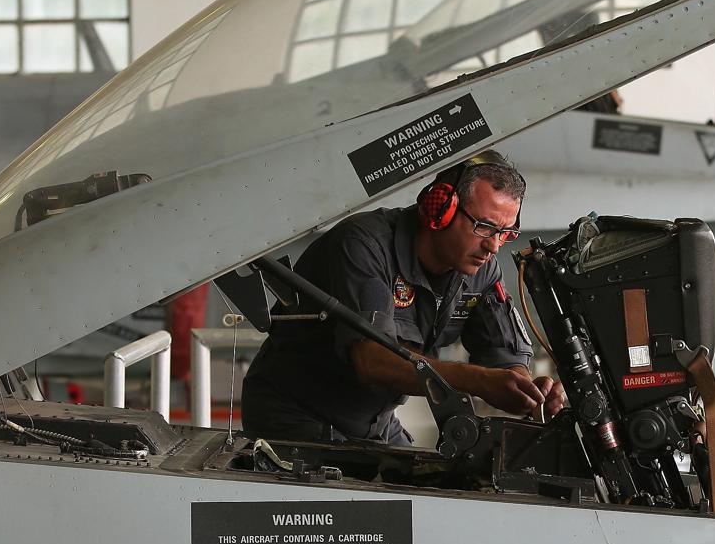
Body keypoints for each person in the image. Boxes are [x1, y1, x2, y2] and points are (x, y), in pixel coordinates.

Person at [242, 151, 565, 445]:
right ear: (441, 209)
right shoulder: (363, 245)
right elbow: (373, 359)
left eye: (505, 233)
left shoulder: (481, 268)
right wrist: (479, 381)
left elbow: (502, 352)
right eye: (484, 227)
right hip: (295, 415)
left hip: (376, 422)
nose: (494, 246)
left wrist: (525, 388)